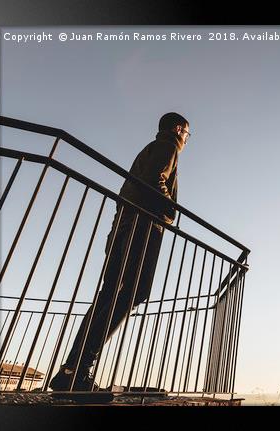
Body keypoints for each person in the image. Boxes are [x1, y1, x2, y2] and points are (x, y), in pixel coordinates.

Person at [49, 112, 190, 392]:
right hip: (144, 224)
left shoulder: (148, 150)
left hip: (123, 225)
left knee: (110, 293)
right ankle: (80, 367)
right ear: (178, 129)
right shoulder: (168, 146)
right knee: (136, 291)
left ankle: (70, 370)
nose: (187, 139)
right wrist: (170, 210)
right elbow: (155, 180)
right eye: (187, 133)